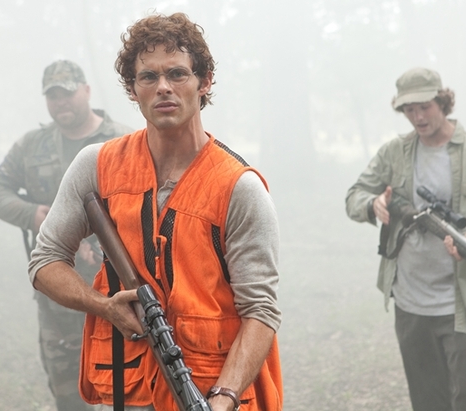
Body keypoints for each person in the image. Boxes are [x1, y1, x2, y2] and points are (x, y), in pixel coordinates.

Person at [27, 13, 283, 411]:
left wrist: (224, 396)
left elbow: (260, 310)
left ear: (204, 82)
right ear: (133, 89)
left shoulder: (239, 187)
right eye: (148, 77)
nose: (163, 87)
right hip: (129, 392)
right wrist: (104, 306)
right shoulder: (96, 166)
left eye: (177, 73)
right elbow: (44, 263)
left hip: (212, 393)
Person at [345, 67, 466, 411]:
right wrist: (373, 203)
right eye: (409, 110)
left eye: (424, 107)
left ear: (443, 101)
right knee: (428, 403)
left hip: (465, 305)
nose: (418, 117)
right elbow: (355, 195)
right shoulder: (393, 152)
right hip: (411, 305)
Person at [0, 59, 132, 411]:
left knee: (128, 389)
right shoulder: (32, 146)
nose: (60, 102)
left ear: (86, 91)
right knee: (68, 394)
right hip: (59, 294)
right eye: (53, 96)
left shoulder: (123, 141)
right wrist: (32, 214)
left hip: (119, 289)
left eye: (67, 93)